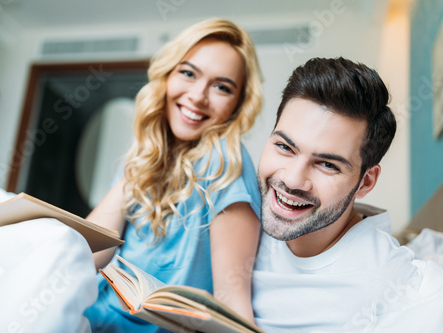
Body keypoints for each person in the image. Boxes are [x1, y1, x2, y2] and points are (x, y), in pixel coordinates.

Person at [84, 18, 263, 332]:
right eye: (188, 73)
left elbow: (233, 299)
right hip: (94, 319)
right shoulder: (146, 153)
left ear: (237, 105)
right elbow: (88, 254)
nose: (198, 96)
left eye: (222, 87)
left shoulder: (226, 164)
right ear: (167, 76)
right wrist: (142, 163)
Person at [252, 57, 443, 332]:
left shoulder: (395, 289)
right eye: (284, 147)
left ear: (366, 182)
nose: (292, 179)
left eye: (327, 165)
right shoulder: (240, 213)